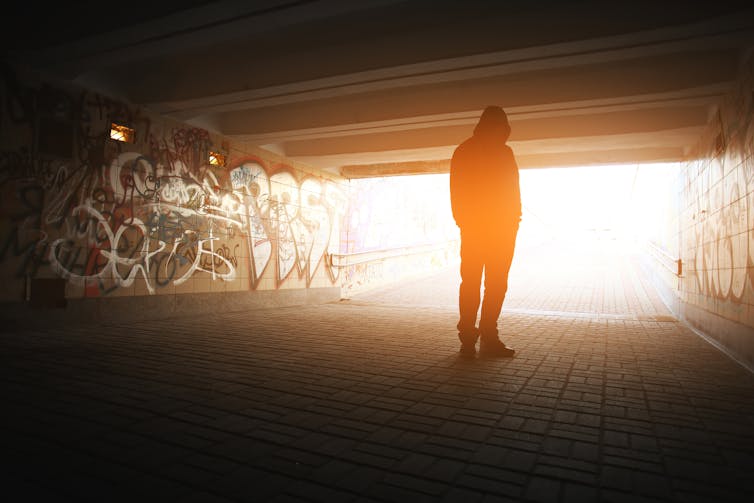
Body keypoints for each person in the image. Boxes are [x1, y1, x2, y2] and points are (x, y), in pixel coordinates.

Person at [449, 105, 521, 358]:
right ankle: (481, 339)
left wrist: (514, 222)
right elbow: (458, 194)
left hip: (488, 231)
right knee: (489, 285)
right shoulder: (473, 151)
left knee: (480, 284)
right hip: (487, 231)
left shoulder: (468, 151)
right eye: (501, 128)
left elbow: (513, 192)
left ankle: (474, 339)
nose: (503, 133)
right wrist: (512, 222)